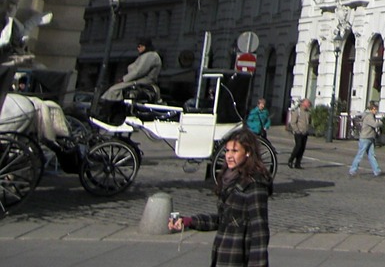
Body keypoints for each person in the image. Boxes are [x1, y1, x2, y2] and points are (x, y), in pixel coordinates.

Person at [169, 129, 271, 267]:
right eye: (227, 151)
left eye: (235, 151)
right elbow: (223, 219)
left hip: (239, 259)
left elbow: (260, 231)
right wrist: (189, 221)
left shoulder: (254, 185)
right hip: (223, 257)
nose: (229, 156)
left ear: (248, 152)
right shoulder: (230, 179)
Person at [102, 37, 162, 103]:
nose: (138, 48)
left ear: (145, 46)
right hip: (137, 81)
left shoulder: (150, 55)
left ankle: (110, 107)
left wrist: (124, 79)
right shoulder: (145, 55)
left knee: (114, 90)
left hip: (143, 81)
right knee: (113, 88)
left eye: (140, 46)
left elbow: (139, 71)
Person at [348, 100, 382, 176]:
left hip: (370, 138)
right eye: (375, 109)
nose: (376, 111)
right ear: (372, 109)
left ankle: (377, 170)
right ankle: (353, 169)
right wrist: (381, 123)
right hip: (365, 138)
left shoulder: (370, 115)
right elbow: (374, 125)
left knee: (371, 155)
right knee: (360, 154)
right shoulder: (369, 116)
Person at [285, 99, 311, 169]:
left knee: (302, 148)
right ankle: (291, 160)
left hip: (305, 133)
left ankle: (298, 163)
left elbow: (308, 122)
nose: (308, 105)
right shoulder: (297, 111)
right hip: (298, 132)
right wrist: (297, 130)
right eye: (307, 104)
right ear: (303, 104)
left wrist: (308, 129)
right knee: (298, 146)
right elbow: (293, 122)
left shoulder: (308, 112)